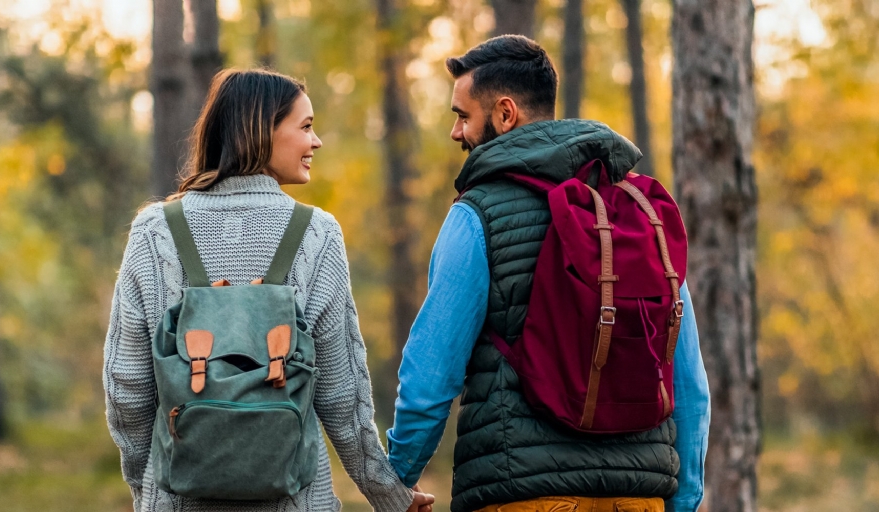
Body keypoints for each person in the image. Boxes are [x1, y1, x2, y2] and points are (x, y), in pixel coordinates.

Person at [386, 36, 711, 512]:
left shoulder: (478, 214)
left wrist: (394, 484)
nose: (456, 133)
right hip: (641, 498)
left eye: (462, 116)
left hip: (524, 495)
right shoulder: (638, 213)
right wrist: (682, 500)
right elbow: (688, 382)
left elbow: (430, 375)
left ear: (504, 113)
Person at [103, 69, 434, 512]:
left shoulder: (155, 231)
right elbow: (342, 394)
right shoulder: (316, 234)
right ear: (260, 131)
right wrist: (389, 495)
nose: (316, 142)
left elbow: (127, 388)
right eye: (306, 127)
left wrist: (150, 487)